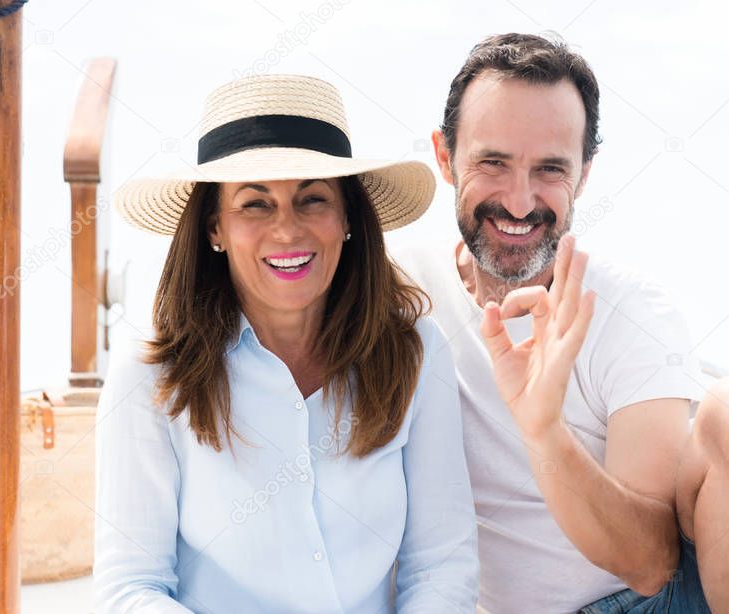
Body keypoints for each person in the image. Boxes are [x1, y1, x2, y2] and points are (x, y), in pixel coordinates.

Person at [394, 33, 729, 613]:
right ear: (446, 158)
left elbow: (651, 564)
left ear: (582, 176)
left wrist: (544, 429)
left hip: (647, 601)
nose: (522, 201)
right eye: (494, 163)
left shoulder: (632, 313)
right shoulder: (397, 290)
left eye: (550, 168)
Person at [94, 74, 478, 613]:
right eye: (255, 204)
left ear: (347, 217)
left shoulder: (415, 351)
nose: (287, 230)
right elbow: (130, 587)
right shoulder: (149, 374)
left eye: (312, 199)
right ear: (214, 229)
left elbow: (441, 564)